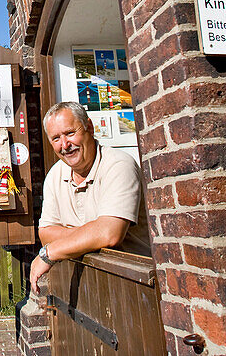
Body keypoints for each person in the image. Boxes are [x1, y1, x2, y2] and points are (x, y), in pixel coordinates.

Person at [30, 101, 150, 293]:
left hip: (137, 284)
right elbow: (45, 234)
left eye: (70, 133)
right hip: (92, 285)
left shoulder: (118, 165)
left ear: (90, 128)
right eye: (56, 138)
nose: (65, 145)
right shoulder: (55, 174)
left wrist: (49, 253)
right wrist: (92, 233)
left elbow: (110, 234)